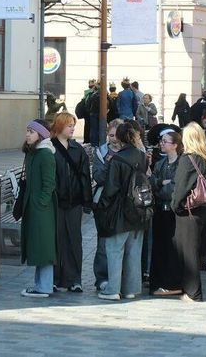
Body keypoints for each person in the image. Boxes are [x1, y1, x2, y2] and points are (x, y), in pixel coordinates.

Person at [95, 120, 149, 301]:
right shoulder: (142, 157)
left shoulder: (118, 159)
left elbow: (111, 189)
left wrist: (101, 206)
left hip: (119, 212)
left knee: (114, 250)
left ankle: (112, 289)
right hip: (138, 210)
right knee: (134, 251)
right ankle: (131, 289)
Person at [172, 123, 206, 301]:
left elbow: (180, 186)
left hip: (189, 210)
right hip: (205, 208)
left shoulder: (188, 159)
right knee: (194, 248)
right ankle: (190, 289)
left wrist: (175, 205)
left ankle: (193, 292)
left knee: (188, 251)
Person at [49, 112, 90, 293]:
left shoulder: (77, 149)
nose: (73, 128)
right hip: (56, 202)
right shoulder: (49, 148)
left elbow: (84, 177)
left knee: (74, 240)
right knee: (56, 240)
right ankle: (55, 278)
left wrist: (86, 200)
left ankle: (74, 279)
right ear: (59, 127)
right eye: (69, 126)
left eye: (73, 125)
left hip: (74, 202)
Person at [20, 119, 57, 299]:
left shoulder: (45, 155)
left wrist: (40, 203)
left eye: (31, 131)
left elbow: (49, 183)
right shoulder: (34, 153)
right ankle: (40, 284)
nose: (27, 134)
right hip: (35, 207)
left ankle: (44, 286)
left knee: (44, 247)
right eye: (27, 131)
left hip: (42, 209)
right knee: (38, 246)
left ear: (40, 135)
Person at [149, 127, 182, 297]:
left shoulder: (181, 163)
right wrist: (162, 183)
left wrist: (162, 187)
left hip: (174, 211)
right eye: (161, 141)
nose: (161, 144)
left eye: (165, 141)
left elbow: (175, 188)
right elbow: (153, 183)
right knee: (159, 247)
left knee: (172, 248)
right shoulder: (160, 163)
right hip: (159, 210)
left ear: (175, 145)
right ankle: (159, 281)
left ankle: (172, 283)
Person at [91, 119, 124, 290]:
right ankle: (102, 278)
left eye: (117, 135)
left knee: (122, 241)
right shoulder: (101, 152)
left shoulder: (129, 151)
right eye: (111, 135)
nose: (114, 139)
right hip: (104, 202)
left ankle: (121, 277)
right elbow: (99, 177)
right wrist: (110, 162)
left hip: (124, 202)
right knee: (103, 241)